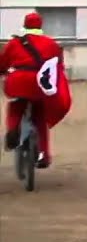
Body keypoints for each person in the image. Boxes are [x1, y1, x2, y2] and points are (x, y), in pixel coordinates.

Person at [1, 13, 72, 168]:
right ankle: (44, 156)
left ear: (25, 25)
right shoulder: (51, 43)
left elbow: (3, 63)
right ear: (40, 26)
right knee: (40, 116)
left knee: (16, 106)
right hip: (40, 83)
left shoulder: (14, 43)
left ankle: (13, 130)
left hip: (18, 81)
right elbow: (58, 65)